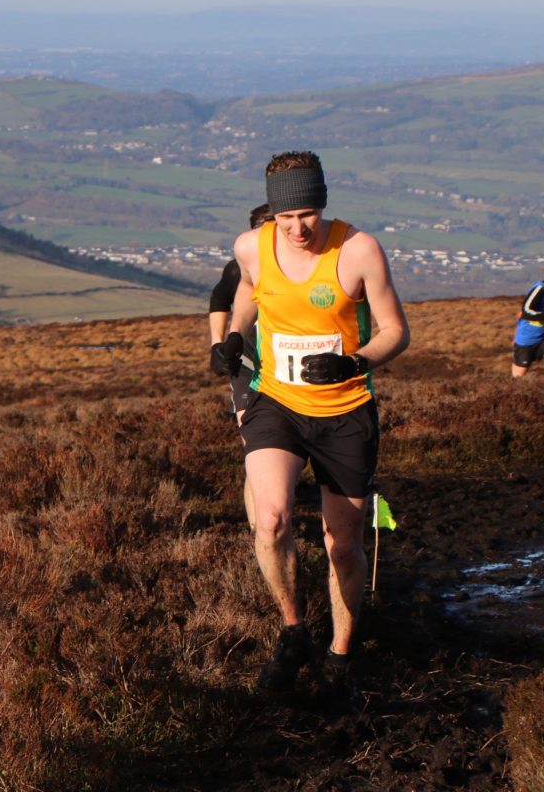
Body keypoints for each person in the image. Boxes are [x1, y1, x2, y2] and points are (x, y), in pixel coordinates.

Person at [211, 150, 410, 697]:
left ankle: (341, 657)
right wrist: (233, 337)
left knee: (341, 544)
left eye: (308, 215)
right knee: (270, 521)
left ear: (322, 204)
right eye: (285, 218)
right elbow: (250, 292)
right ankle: (293, 629)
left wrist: (356, 361)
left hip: (345, 411)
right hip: (276, 402)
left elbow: (396, 330)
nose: (297, 229)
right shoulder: (251, 246)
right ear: (271, 214)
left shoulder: (359, 250)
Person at [210, 204, 274, 529]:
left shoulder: (302, 268)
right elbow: (219, 298)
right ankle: (259, 531)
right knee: (255, 452)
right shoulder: (238, 269)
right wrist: (217, 344)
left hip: (290, 374)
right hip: (248, 368)